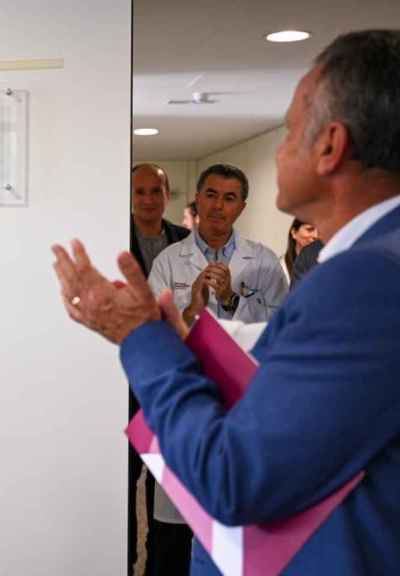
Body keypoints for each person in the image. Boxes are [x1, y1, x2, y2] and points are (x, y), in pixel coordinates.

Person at [52, 29, 400, 573]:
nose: (281, 149)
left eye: (288, 131)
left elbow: (234, 479)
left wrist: (140, 337)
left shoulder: (367, 279)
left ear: (330, 146)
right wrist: (181, 335)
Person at [128, 163, 191, 576]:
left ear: (167, 194)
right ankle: (125, 561)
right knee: (124, 479)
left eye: (156, 191)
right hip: (126, 379)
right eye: (140, 192)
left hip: (170, 376)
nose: (148, 200)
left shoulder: (185, 241)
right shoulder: (111, 236)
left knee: (167, 485)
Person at [149, 164, 288, 325]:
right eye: (211, 195)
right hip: (187, 351)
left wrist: (231, 299)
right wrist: (191, 311)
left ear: (241, 208)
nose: (218, 205)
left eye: (229, 198)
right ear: (198, 199)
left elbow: (281, 325)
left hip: (243, 351)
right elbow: (152, 329)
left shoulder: (265, 260)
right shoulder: (167, 261)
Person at [282, 218, 318, 283]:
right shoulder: (281, 267)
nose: (315, 235)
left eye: (319, 231)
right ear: (294, 233)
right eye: (309, 229)